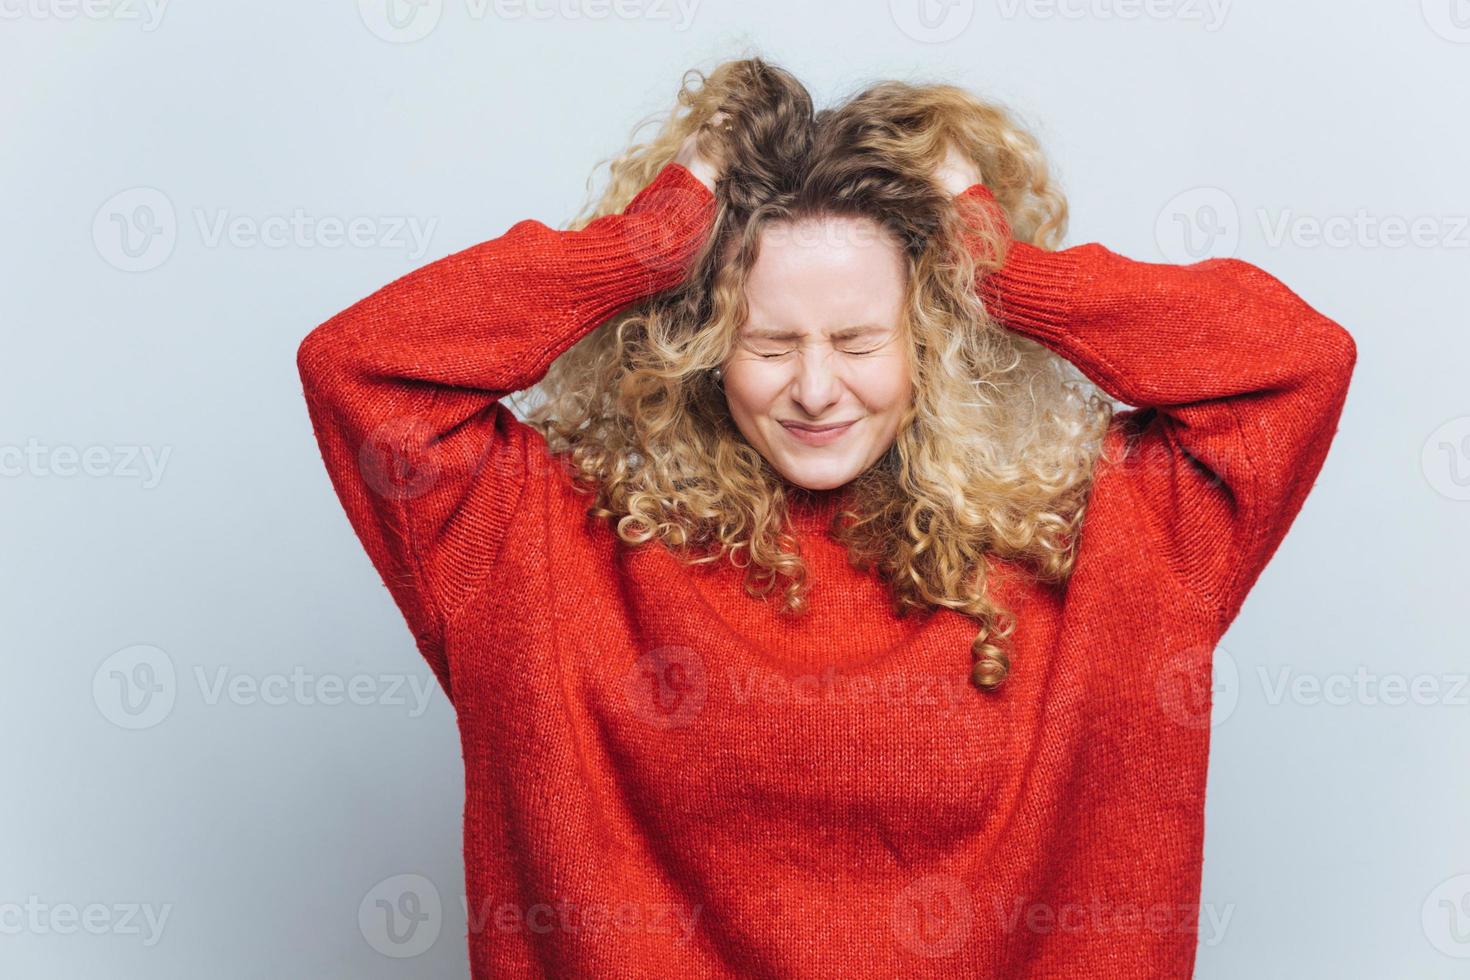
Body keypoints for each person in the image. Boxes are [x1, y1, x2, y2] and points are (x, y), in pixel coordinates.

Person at [296, 57, 1355, 978]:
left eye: (858, 340)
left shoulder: (1108, 542)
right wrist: (646, 246)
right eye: (767, 343)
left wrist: (999, 263)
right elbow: (363, 370)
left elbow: (1295, 365)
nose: (814, 388)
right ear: (700, 344)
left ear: (936, 334)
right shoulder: (542, 546)